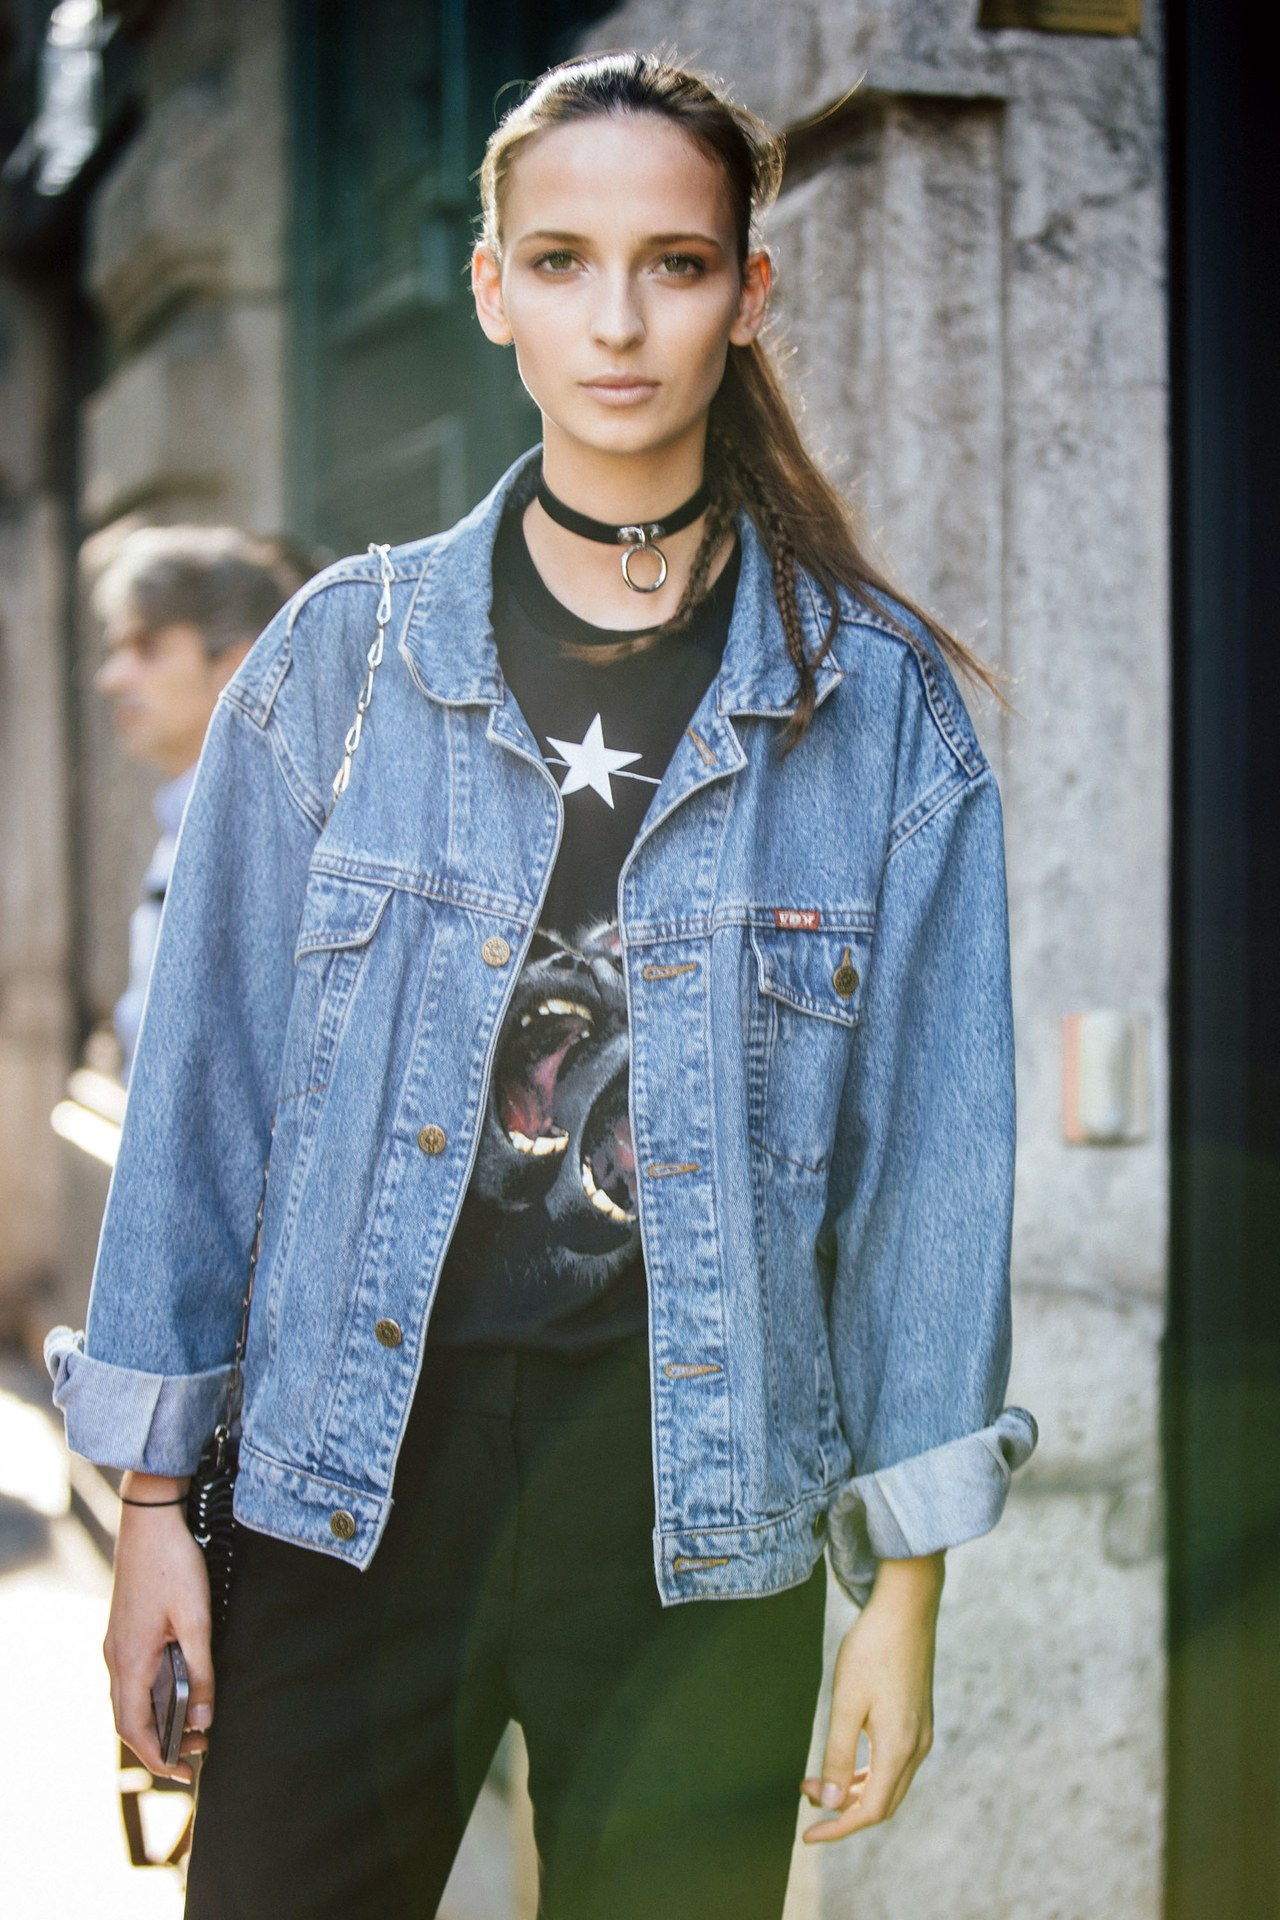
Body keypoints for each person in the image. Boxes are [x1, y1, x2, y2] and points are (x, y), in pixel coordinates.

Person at [45, 51, 1039, 1920]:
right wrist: (157, 1518)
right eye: (566, 262)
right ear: (493, 288)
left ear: (748, 297)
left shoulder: (879, 713)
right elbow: (204, 1107)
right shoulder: (334, 669)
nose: (619, 320)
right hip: (348, 1492)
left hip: (693, 1521)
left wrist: (904, 1591)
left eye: (673, 265)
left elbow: (933, 1172)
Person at [90, 526, 312, 1081]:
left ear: (233, 667)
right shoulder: (187, 819)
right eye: (116, 650)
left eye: (148, 649)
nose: (111, 678)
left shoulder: (273, 836)